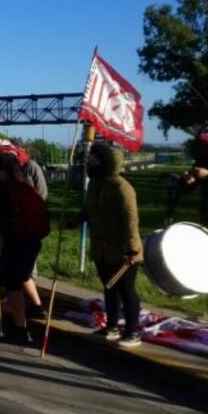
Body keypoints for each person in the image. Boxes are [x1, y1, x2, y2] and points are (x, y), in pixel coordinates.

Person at [83, 143, 143, 348]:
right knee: (109, 288)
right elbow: (89, 210)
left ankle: (133, 331)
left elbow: (131, 218)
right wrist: (72, 221)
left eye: (93, 159)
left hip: (123, 250)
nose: (88, 162)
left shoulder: (121, 187)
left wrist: (133, 248)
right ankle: (112, 326)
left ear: (105, 162)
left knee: (126, 289)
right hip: (102, 248)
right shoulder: (94, 184)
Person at [0, 154, 50, 344]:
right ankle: (23, 322)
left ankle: (21, 329)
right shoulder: (23, 186)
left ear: (4, 171)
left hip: (18, 242)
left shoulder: (6, 188)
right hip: (28, 241)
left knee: (13, 282)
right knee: (16, 279)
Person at [183, 126, 208, 324]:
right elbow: (190, 188)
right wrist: (188, 181)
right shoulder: (203, 161)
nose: (206, 147)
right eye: (203, 143)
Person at [21, 155, 49, 318]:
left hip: (31, 218)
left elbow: (42, 192)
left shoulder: (31, 167)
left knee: (28, 258)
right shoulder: (15, 169)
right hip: (17, 218)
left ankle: (33, 293)